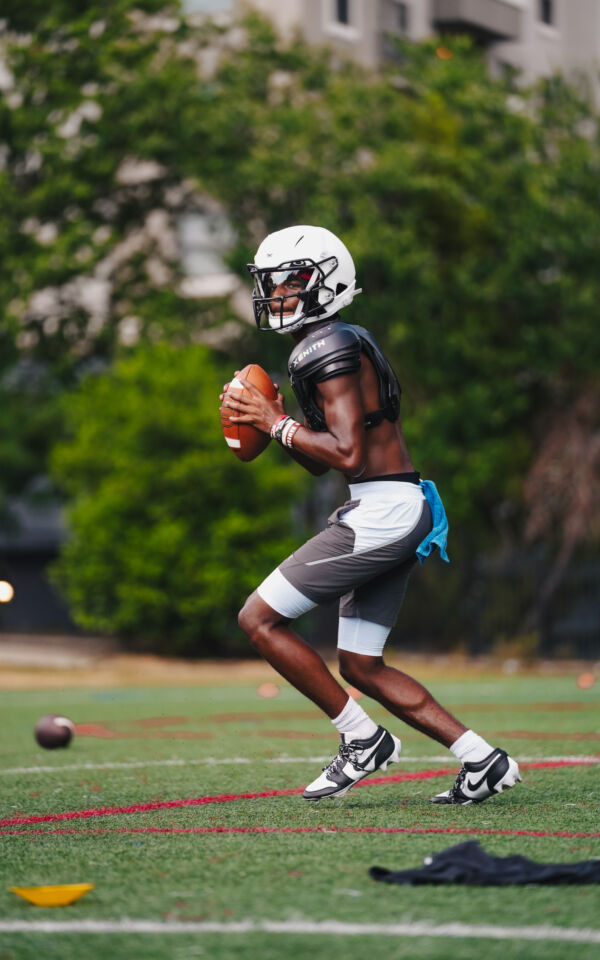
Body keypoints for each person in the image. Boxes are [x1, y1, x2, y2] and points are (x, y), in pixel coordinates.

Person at [220, 225, 521, 805]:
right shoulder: (332, 341)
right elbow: (324, 461)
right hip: (390, 505)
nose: (275, 295)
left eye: (288, 282)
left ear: (323, 283)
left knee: (257, 620)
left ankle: (362, 740)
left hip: (382, 511)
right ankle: (482, 759)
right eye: (271, 285)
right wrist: (277, 420)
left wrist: (276, 424)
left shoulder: (322, 346)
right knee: (361, 665)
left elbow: (348, 455)